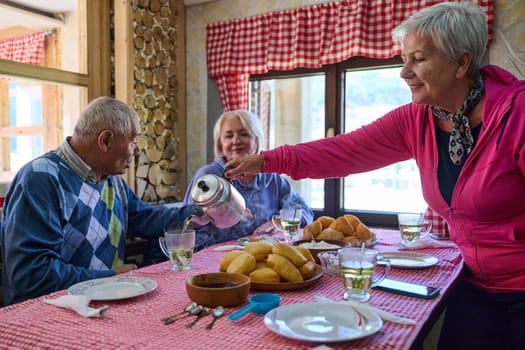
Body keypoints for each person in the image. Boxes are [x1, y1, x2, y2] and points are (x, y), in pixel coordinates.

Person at [224, 3, 525, 349]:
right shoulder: (417, 120)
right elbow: (341, 151)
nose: (404, 72)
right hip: (473, 283)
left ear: (461, 62)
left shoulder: (516, 113)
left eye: (419, 59)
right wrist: (265, 160)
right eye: (404, 59)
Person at [0, 96, 202, 306]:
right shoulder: (40, 178)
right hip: (44, 313)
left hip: (103, 302)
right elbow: (30, 274)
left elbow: (143, 218)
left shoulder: (110, 180)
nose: (137, 150)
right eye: (133, 141)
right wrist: (107, 278)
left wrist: (199, 212)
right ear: (105, 140)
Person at [183, 110, 313, 247]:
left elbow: (304, 212)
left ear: (256, 140)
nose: (236, 141)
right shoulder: (209, 177)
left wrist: (279, 222)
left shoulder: (272, 178)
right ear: (220, 144)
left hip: (264, 253)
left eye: (244, 134)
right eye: (228, 136)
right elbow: (186, 224)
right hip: (217, 257)